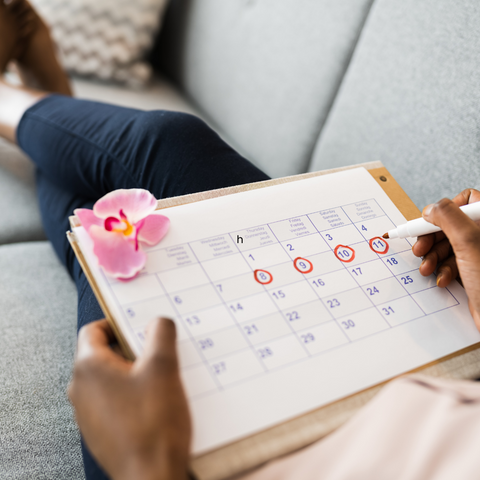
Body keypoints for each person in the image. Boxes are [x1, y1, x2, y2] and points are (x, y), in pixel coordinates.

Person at [2, 1, 480, 479]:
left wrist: (143, 461)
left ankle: (23, 99)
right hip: (418, 387)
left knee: (125, 214)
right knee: (156, 166)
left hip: (219, 457)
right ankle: (41, 98)